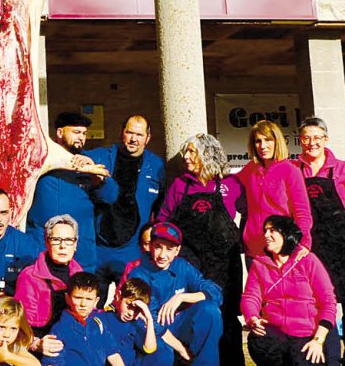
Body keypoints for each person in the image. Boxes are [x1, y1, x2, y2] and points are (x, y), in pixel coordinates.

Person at [154, 133, 243, 364]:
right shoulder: (180, 186)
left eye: (192, 151)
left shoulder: (230, 185)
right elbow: (163, 221)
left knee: (227, 318)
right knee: (199, 316)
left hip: (225, 265)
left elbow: (252, 214)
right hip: (191, 264)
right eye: (186, 151)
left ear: (208, 154)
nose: (186, 157)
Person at [294, 117, 345, 366]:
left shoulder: (342, 169)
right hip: (315, 248)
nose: (312, 143)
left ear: (326, 140)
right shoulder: (294, 169)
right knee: (321, 305)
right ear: (300, 141)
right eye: (306, 138)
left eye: (317, 137)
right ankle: (330, 360)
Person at [27, 112, 118, 273]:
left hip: (81, 251)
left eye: (84, 134)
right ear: (60, 132)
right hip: (43, 246)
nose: (81, 138)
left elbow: (111, 196)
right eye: (76, 132)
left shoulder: (89, 161)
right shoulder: (39, 159)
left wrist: (97, 177)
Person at [123, 222, 223, 366]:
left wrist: (181, 297)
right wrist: (181, 349)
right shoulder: (138, 273)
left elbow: (215, 292)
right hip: (149, 327)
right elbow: (151, 319)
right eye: (158, 247)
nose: (162, 255)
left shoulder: (181, 266)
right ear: (151, 246)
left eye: (169, 249)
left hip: (177, 323)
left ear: (177, 251)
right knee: (163, 352)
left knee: (210, 310)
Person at [241, 216, 336, 366]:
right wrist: (252, 318)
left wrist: (318, 340)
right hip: (275, 332)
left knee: (302, 359)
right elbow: (250, 296)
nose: (266, 235)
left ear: (286, 234)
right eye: (265, 231)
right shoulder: (259, 263)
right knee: (259, 340)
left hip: (307, 334)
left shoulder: (309, 260)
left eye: (272, 231)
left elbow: (328, 302)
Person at [87, 115, 165, 288]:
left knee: (130, 305)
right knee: (89, 306)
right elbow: (71, 157)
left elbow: (161, 208)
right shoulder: (101, 156)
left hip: (132, 250)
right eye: (129, 132)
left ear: (148, 138)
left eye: (139, 135)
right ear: (122, 133)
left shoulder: (156, 166)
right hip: (98, 249)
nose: (133, 139)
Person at [236, 121, 312, 260]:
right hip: (253, 251)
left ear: (277, 141)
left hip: (280, 249)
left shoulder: (290, 171)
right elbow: (229, 185)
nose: (263, 146)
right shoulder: (250, 169)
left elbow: (302, 211)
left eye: (268, 140)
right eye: (258, 141)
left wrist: (304, 242)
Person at [16, 215, 84, 337]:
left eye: (69, 240)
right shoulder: (29, 277)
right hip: (37, 339)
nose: (63, 246)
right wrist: (36, 344)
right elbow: (19, 324)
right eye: (56, 239)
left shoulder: (80, 276)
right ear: (47, 242)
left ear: (75, 244)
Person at [39, 272, 124, 366]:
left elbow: (112, 352)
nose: (83, 304)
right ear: (67, 298)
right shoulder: (60, 329)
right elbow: (52, 363)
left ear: (96, 301)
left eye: (89, 299)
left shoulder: (98, 324)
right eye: (78, 298)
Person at [95, 278, 160, 366]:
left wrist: (149, 319)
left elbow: (150, 349)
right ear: (118, 296)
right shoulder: (103, 318)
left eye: (137, 309)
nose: (131, 313)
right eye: (128, 305)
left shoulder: (135, 324)